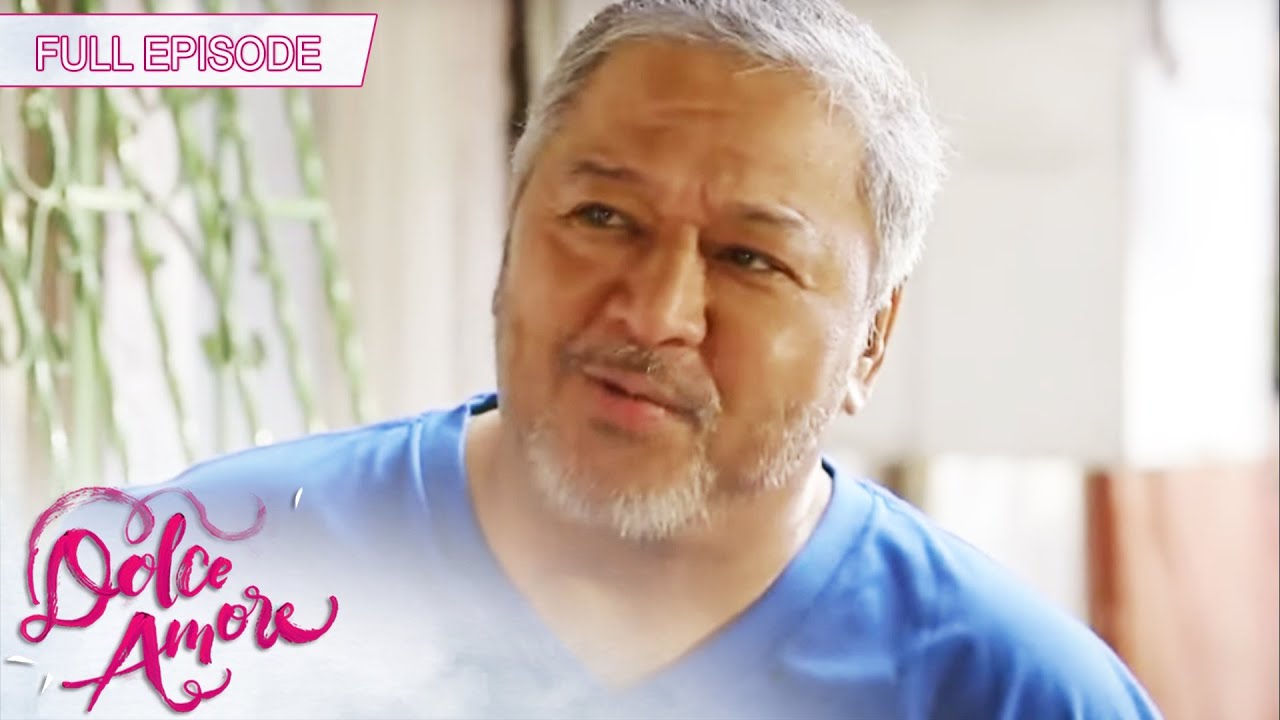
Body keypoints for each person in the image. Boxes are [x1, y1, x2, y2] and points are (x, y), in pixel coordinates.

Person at [23, 1, 1162, 718]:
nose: (656, 312)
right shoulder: (186, 590)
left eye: (750, 258)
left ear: (870, 337)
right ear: (512, 229)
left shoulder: (1010, 692)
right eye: (603, 219)